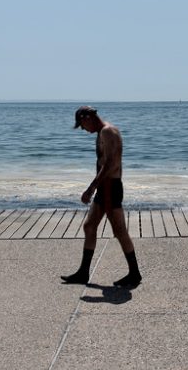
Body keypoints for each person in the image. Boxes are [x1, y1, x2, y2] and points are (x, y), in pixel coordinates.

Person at [60, 106, 142, 288]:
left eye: (82, 124)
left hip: (110, 187)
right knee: (89, 226)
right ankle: (83, 272)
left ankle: (135, 273)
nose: (83, 129)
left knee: (119, 230)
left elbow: (111, 163)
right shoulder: (102, 133)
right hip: (104, 187)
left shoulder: (108, 132)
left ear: (88, 117)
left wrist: (91, 188)